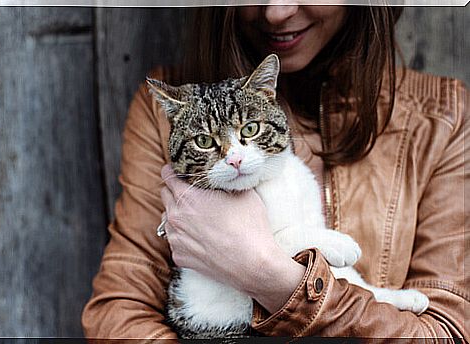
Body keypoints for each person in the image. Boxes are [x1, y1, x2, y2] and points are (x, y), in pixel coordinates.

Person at [81, 5, 468, 339]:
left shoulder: (444, 118)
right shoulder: (166, 113)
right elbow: (119, 311)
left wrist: (270, 277)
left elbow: (447, 331)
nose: (277, 11)